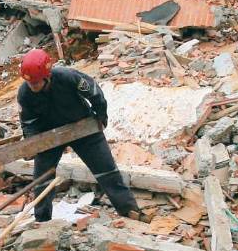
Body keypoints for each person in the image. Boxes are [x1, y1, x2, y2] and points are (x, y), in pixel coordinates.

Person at [17, 49, 146, 223]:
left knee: (107, 171)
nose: (32, 86)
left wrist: (101, 115)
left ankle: (129, 210)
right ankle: (42, 220)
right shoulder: (25, 93)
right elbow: (28, 121)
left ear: (47, 76)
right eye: (30, 83)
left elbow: (93, 91)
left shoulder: (67, 77)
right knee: (42, 181)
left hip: (83, 128)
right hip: (48, 136)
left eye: (36, 82)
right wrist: (32, 143)